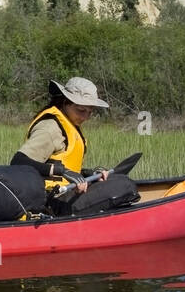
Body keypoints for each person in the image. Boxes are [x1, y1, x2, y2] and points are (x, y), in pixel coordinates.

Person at [10, 77, 132, 215]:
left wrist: (89, 174)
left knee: (116, 179)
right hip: (50, 200)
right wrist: (61, 171)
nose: (85, 117)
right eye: (81, 110)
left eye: (90, 112)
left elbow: (65, 164)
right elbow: (18, 162)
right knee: (124, 185)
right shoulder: (50, 128)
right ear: (64, 102)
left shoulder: (70, 123)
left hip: (67, 192)